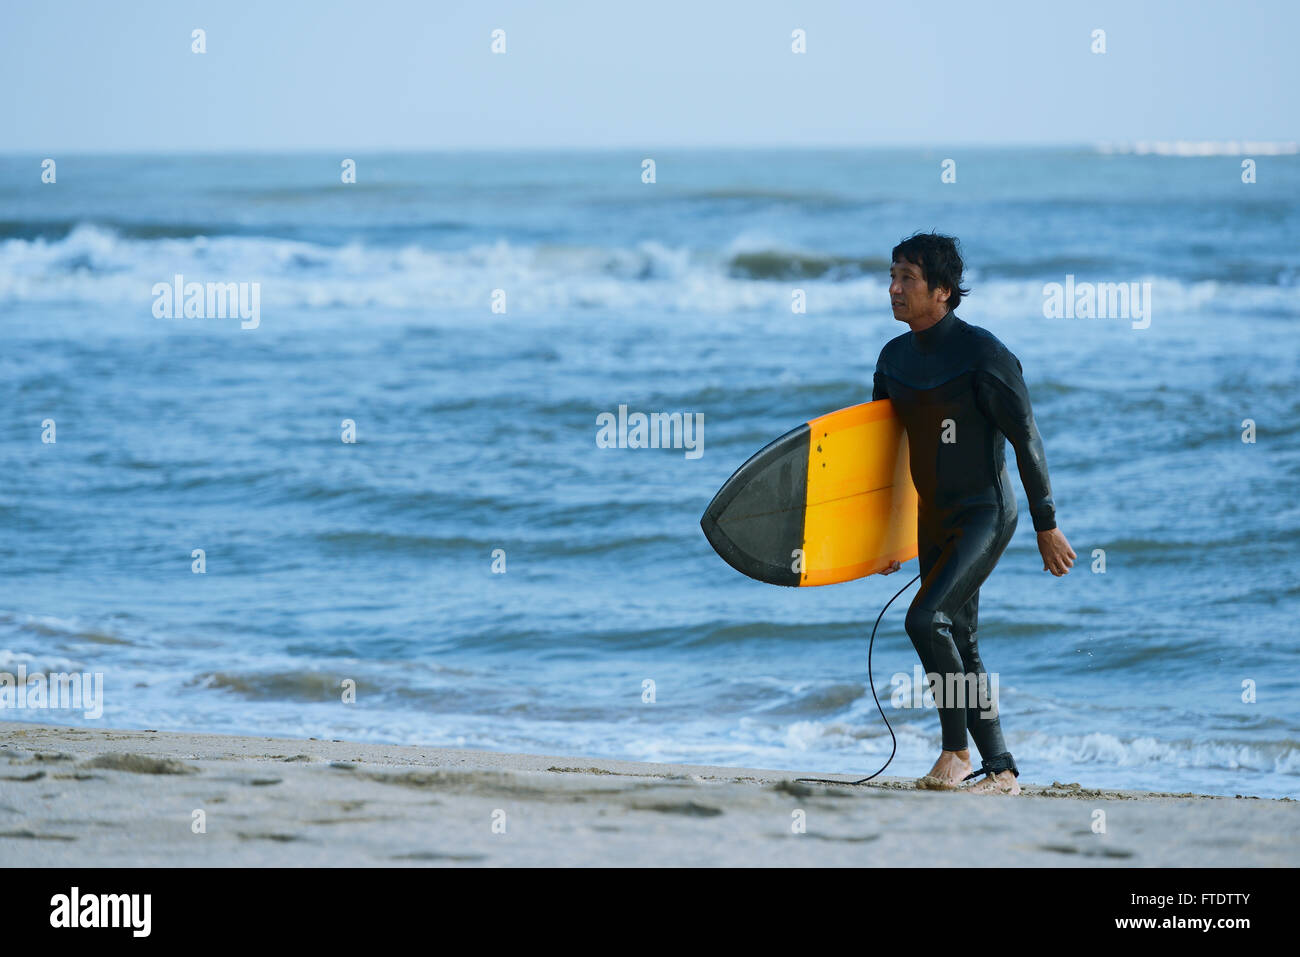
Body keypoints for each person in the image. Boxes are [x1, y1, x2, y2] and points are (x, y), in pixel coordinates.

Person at [872, 232, 1076, 795]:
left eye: (906, 279)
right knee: (961, 639)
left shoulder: (985, 356)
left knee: (924, 619)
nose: (893, 289)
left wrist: (1046, 524)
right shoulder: (893, 360)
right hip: (931, 514)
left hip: (985, 511)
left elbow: (1026, 438)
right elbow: (882, 454)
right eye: (892, 276)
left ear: (942, 291)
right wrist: (882, 535)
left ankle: (956, 752)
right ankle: (1003, 770)